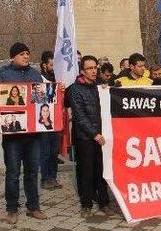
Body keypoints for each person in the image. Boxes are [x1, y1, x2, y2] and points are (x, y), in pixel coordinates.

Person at [0, 42, 47, 224]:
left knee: (32, 172)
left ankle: (33, 207)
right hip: (13, 135)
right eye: (22, 54)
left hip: (33, 134)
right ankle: (12, 209)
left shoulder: (36, 74)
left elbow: (42, 100)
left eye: (28, 53)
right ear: (13, 56)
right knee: (13, 172)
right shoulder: (2, 74)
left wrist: (54, 93)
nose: (26, 56)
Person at [66, 56, 115, 218]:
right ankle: (86, 204)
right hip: (86, 138)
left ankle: (104, 202)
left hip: (102, 137)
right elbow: (79, 116)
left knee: (102, 171)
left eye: (95, 67)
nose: (94, 71)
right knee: (86, 172)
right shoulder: (75, 89)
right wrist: (94, 134)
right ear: (82, 71)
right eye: (89, 68)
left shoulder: (100, 87)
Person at [39, 50, 64, 190]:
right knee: (45, 151)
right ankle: (45, 178)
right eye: (51, 65)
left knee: (54, 151)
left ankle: (53, 177)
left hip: (57, 119)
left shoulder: (58, 79)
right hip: (44, 121)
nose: (54, 67)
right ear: (44, 65)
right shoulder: (39, 79)